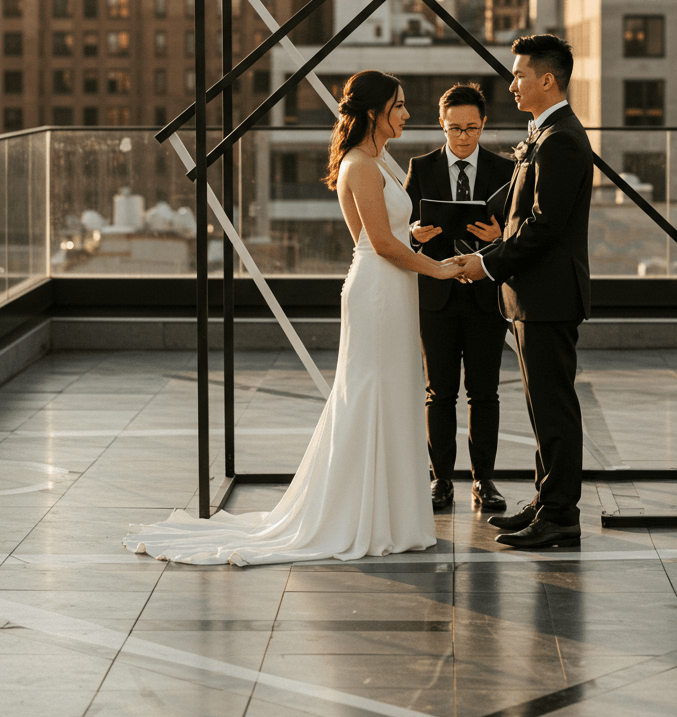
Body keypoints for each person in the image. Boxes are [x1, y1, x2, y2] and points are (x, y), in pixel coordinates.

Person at [123, 71, 462, 566]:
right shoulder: (360, 166)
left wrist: (416, 234)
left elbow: (387, 234)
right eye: (400, 105)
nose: (408, 114)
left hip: (392, 285)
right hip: (378, 292)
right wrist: (439, 268)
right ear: (375, 112)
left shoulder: (378, 161)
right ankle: (362, 515)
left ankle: (390, 515)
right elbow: (377, 244)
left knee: (392, 392)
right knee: (371, 394)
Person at [453, 35, 592, 551]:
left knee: (554, 407)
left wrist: (486, 264)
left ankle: (561, 516)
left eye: (519, 75)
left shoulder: (561, 139)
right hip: (532, 295)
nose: (511, 84)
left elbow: (544, 227)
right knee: (541, 406)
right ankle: (547, 499)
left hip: (550, 297)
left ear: (547, 80)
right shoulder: (545, 133)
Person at [405, 82, 515, 513]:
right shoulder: (421, 166)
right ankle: (441, 481)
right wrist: (414, 234)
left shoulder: (505, 171)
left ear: (484, 124)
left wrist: (501, 236)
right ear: (441, 124)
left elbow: (522, 233)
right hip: (436, 296)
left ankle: (484, 481)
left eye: (471, 128)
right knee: (440, 393)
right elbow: (404, 227)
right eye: (454, 129)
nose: (463, 137)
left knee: (484, 393)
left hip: (486, 295)